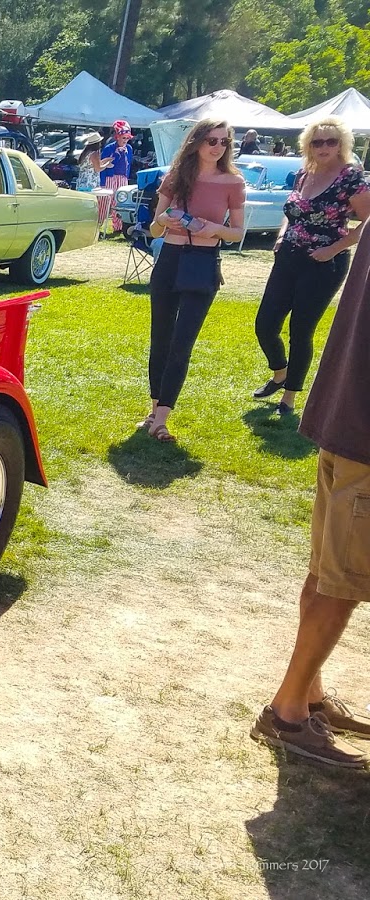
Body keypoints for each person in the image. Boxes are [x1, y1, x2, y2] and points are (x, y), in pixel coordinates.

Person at [250, 222, 370, 769]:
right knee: (341, 582)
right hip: (361, 432)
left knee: (327, 572)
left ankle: (309, 697)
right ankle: (288, 714)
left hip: (345, 414)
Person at [252, 117, 370, 416]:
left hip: (324, 263)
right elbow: (292, 212)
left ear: (342, 144)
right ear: (308, 145)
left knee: (300, 330)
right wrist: (280, 237)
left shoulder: (352, 178)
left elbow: (366, 222)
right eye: (317, 142)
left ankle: (289, 397)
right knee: (265, 324)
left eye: (331, 141)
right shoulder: (304, 173)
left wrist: (333, 248)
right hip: (289, 256)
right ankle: (280, 373)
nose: (324, 147)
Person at [139, 118, 246, 442]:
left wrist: (214, 229)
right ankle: (155, 408)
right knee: (161, 339)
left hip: (203, 262)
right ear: (197, 141)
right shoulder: (175, 177)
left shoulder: (233, 182)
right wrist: (164, 220)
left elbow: (237, 232)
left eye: (224, 142)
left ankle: (161, 419)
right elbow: (154, 229)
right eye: (211, 140)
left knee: (182, 343)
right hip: (170, 259)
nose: (217, 147)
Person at [97, 120, 134, 233]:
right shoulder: (109, 148)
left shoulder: (129, 149)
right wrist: (102, 182)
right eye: (123, 138)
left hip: (122, 178)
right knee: (104, 201)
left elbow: (128, 165)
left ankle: (118, 228)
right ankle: (97, 225)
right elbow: (103, 165)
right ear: (117, 137)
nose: (125, 140)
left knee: (120, 202)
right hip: (109, 177)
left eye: (127, 138)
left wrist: (126, 177)